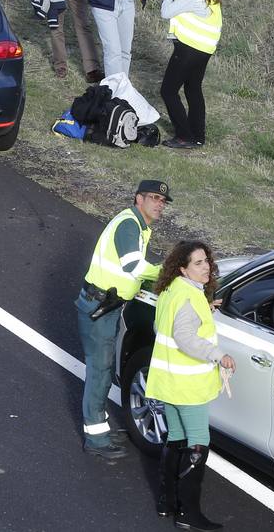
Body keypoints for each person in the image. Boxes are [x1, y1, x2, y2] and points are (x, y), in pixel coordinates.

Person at [75, 180, 170, 460]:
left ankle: (99, 426)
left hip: (107, 304)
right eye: (153, 198)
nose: (159, 204)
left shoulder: (138, 225)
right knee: (100, 370)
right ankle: (96, 438)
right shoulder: (130, 224)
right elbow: (133, 266)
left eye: (162, 201)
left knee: (103, 369)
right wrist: (166, 272)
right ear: (138, 198)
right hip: (100, 305)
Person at [146, 240, 234, 531]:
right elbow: (184, 336)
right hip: (188, 386)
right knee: (197, 442)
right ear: (183, 268)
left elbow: (163, 327)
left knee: (177, 437)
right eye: (198, 263)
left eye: (206, 261)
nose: (206, 267)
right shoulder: (189, 297)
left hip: (168, 381)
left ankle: (166, 502)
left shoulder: (173, 290)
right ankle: (188, 514)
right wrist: (218, 355)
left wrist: (203, 309)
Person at [160, 0, 223, 149]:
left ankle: (184, 135)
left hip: (187, 49)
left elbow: (166, 13)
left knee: (168, 91)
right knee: (193, 91)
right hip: (204, 50)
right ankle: (198, 136)